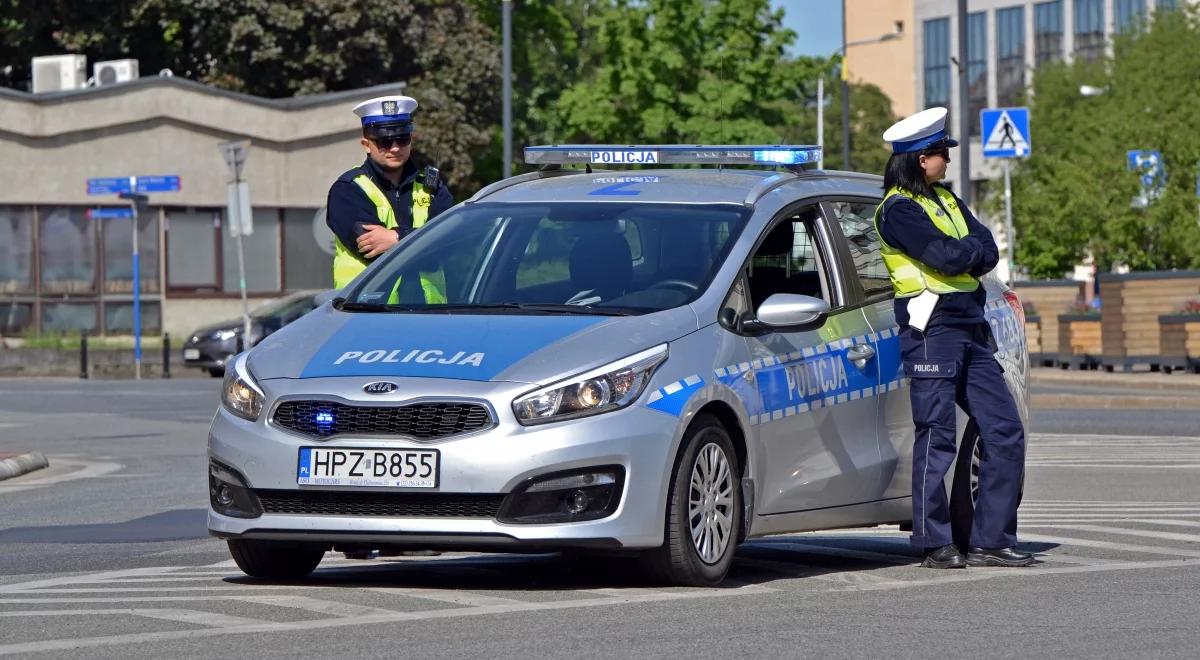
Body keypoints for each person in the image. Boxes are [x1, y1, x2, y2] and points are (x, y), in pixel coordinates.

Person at [873, 107, 1033, 569]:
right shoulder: (898, 210)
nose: (947, 160)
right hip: (932, 331)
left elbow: (987, 247)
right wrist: (968, 254)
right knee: (938, 436)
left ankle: (991, 539)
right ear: (921, 159)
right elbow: (944, 256)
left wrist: (967, 254)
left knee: (1004, 430)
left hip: (970, 327)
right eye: (942, 153)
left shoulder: (945, 200)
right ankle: (933, 542)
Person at [326, 95, 453, 293]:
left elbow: (449, 244)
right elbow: (372, 252)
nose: (395, 148)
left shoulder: (433, 187)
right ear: (366, 145)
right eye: (385, 141)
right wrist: (427, 243)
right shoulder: (348, 190)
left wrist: (395, 239)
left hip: (428, 315)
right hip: (366, 314)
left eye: (402, 139)